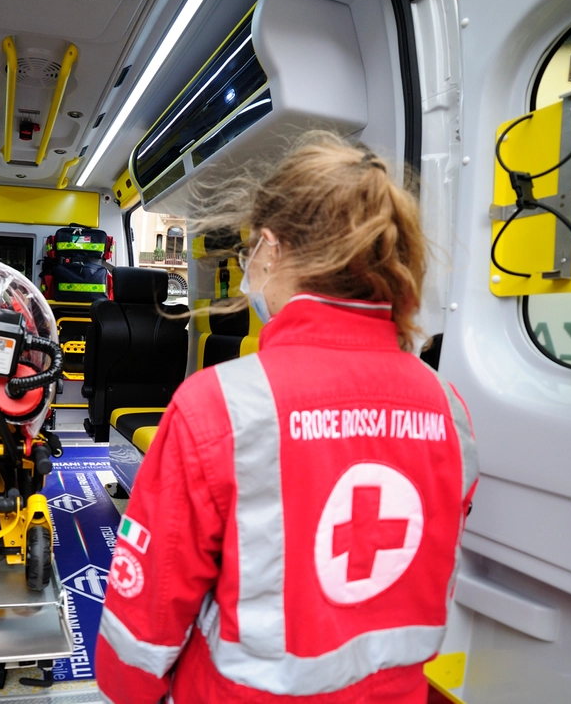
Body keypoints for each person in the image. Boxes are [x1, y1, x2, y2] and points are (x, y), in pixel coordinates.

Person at [94, 133, 478, 704]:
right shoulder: (448, 406)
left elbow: (139, 642)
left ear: (270, 248)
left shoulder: (217, 407)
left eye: (250, 251)